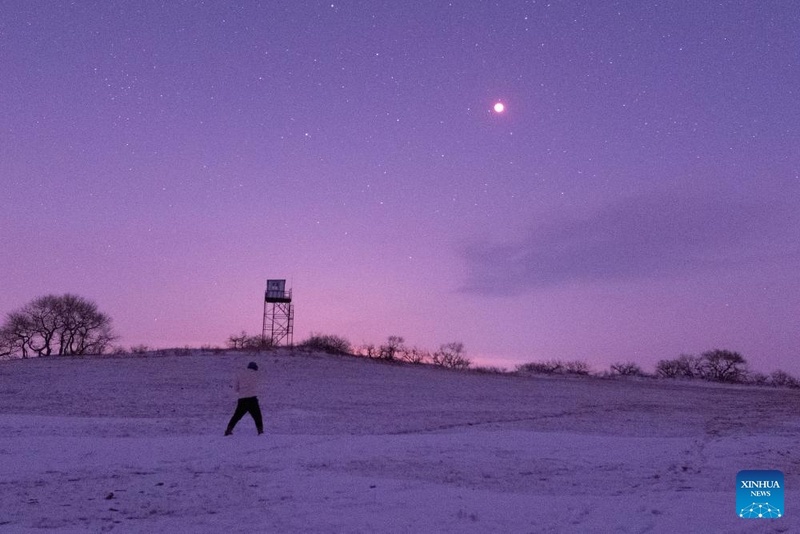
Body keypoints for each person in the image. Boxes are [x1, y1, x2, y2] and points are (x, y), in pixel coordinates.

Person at [224, 361, 264, 436]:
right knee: (257, 416)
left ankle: (228, 430)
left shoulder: (239, 374)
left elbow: (236, 389)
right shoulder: (256, 374)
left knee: (236, 416)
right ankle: (260, 431)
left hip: (242, 399)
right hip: (252, 399)